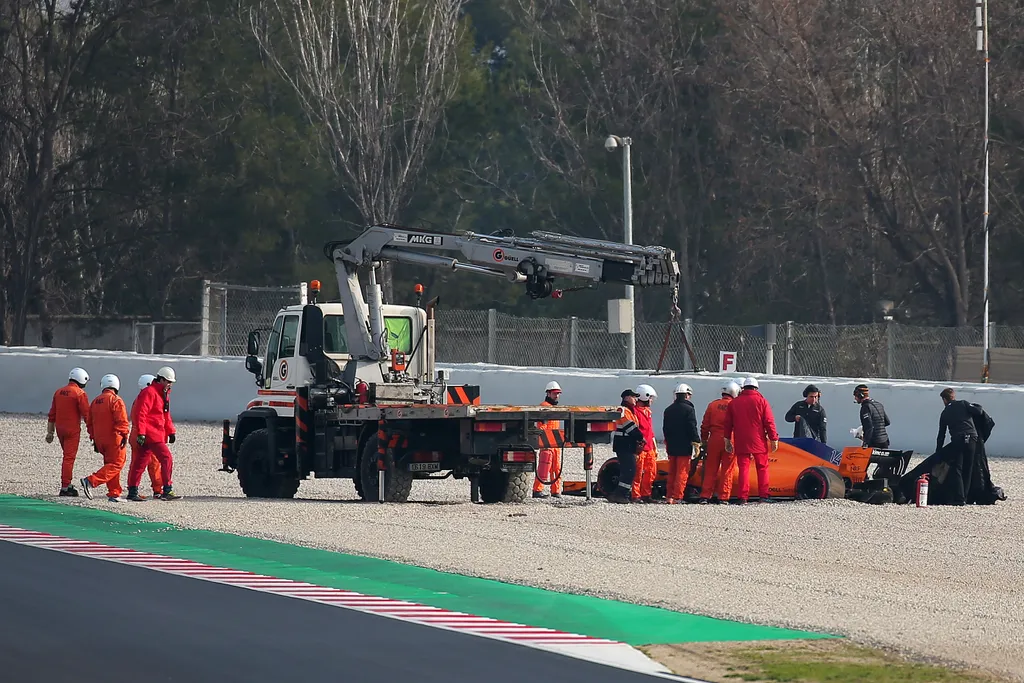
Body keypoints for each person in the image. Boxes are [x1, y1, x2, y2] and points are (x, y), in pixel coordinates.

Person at [723, 377, 779, 504]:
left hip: (741, 440)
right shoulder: (762, 401)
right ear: (756, 388)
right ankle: (763, 496)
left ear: (743, 388)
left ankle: (743, 497)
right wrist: (773, 438)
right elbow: (769, 422)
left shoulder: (734, 403)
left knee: (744, 468)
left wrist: (727, 439)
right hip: (758, 440)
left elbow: (727, 424)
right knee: (762, 467)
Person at [129, 366, 180, 500]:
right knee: (166, 458)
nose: (170, 384)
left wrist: (171, 431)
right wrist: (141, 433)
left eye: (171, 382)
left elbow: (165, 415)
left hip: (151, 434)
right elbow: (141, 414)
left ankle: (132, 492)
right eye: (168, 381)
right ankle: (167, 490)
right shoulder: (150, 392)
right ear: (161, 379)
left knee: (139, 463)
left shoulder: (163, 393)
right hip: (152, 434)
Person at [80, 374, 130, 502]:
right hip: (114, 437)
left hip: (100, 439)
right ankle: (91, 481)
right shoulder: (116, 400)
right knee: (117, 463)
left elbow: (89, 423)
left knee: (110, 464)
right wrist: (125, 435)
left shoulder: (95, 401)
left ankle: (114, 493)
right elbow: (122, 421)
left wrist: (94, 439)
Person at [46, 367, 92, 496]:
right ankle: (65, 486)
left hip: (60, 430)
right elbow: (87, 415)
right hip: (72, 431)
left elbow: (52, 414)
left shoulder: (58, 392)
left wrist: (50, 432)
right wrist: (92, 433)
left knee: (66, 457)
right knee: (69, 458)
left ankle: (67, 484)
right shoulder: (79, 393)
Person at [934, 388, 982, 506]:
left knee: (957, 468)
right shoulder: (964, 404)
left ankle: (960, 499)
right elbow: (979, 411)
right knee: (968, 468)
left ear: (944, 400)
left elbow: (941, 434)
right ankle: (966, 497)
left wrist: (938, 451)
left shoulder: (944, 413)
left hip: (958, 440)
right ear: (953, 397)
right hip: (972, 438)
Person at [699, 381, 740, 504]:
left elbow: (704, 425)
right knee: (727, 469)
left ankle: (705, 496)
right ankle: (723, 497)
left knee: (711, 468)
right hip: (731, 439)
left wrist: (704, 439)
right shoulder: (736, 405)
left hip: (714, 438)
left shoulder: (713, 405)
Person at [126, 374, 164, 501]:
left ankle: (133, 489)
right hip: (145, 435)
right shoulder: (149, 397)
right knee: (153, 464)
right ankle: (158, 490)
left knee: (136, 464)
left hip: (135, 435)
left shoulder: (138, 399)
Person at [663, 383, 700, 504]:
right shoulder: (689, 409)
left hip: (671, 445)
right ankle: (677, 497)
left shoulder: (668, 410)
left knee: (672, 471)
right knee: (682, 472)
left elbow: (665, 429)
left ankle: (669, 496)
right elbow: (691, 427)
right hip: (684, 445)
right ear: (687, 395)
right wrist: (696, 441)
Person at [608, 389, 644, 504]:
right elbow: (628, 425)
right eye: (634, 397)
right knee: (629, 470)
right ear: (627, 397)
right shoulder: (623, 410)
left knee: (629, 470)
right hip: (623, 445)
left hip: (628, 445)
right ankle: (620, 494)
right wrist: (639, 436)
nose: (636, 399)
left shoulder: (630, 411)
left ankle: (621, 494)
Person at [533, 381, 564, 499]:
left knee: (556, 467)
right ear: (548, 393)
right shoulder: (544, 406)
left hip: (555, 443)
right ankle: (537, 490)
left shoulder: (554, 408)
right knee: (544, 465)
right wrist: (543, 440)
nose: (557, 396)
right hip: (547, 442)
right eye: (555, 394)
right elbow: (541, 426)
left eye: (558, 394)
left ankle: (555, 491)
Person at [630, 384, 659, 503]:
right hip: (640, 448)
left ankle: (646, 494)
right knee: (637, 473)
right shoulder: (635, 412)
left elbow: (650, 431)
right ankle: (635, 495)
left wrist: (655, 446)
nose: (651, 400)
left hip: (649, 447)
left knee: (651, 472)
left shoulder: (647, 412)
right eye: (650, 398)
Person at [854, 384, 890, 449]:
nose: (855, 398)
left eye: (856, 396)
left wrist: (865, 443)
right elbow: (887, 422)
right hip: (884, 441)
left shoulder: (865, 407)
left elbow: (869, 427)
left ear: (861, 395)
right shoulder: (879, 405)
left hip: (874, 442)